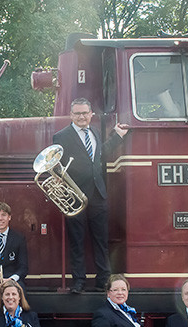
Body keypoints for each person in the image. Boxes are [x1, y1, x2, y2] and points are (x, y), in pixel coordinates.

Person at [53, 98, 129, 294]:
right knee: (77, 241)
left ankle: (103, 280)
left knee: (101, 240)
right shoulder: (60, 137)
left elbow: (100, 154)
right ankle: (79, 282)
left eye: (85, 113)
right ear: (71, 115)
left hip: (97, 194)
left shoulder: (94, 132)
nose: (81, 117)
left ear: (91, 114)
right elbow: (56, 164)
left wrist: (118, 136)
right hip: (74, 196)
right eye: (77, 113)